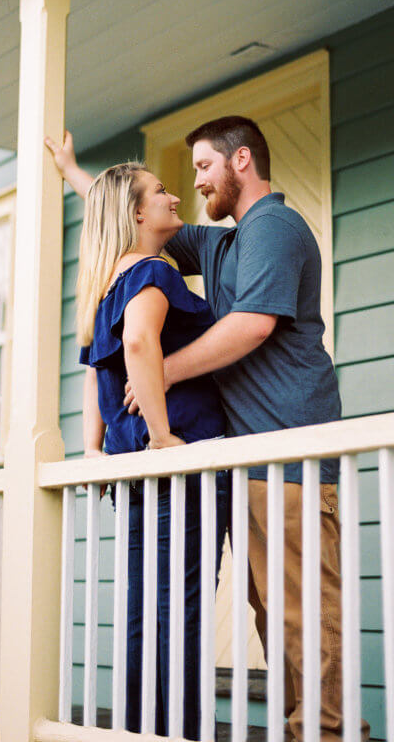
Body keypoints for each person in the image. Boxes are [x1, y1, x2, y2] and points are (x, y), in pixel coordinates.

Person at [47, 121, 369, 742]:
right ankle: (298, 731)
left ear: (240, 161)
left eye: (201, 168)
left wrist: (157, 375)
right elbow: (125, 211)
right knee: (275, 617)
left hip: (290, 451)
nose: (192, 184)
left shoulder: (272, 227)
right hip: (249, 461)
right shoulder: (219, 245)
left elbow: (251, 325)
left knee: (303, 615)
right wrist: (72, 175)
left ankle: (328, 734)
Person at [70, 160, 229, 740]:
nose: (172, 195)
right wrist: (163, 435)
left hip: (134, 473)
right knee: (182, 611)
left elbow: (94, 374)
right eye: (161, 190)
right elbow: (138, 340)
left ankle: (140, 732)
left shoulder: (106, 284)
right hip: (177, 466)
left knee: (144, 609)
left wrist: (93, 450)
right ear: (138, 213)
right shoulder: (155, 274)